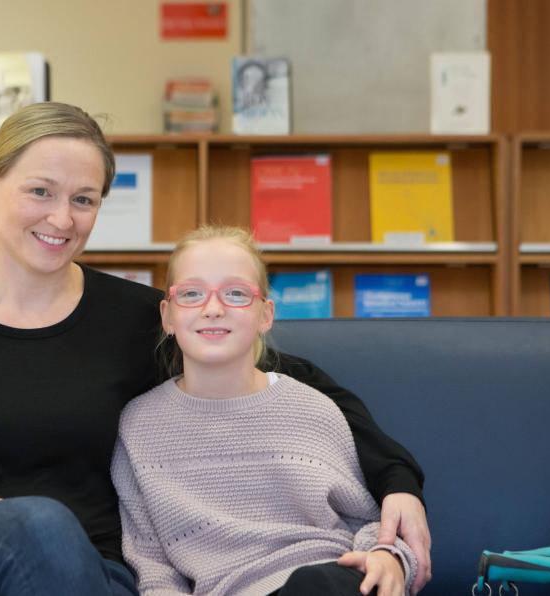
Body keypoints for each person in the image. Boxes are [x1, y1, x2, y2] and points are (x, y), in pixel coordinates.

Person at [0, 102, 430, 596]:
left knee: (52, 540)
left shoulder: (134, 319)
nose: (62, 218)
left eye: (83, 199)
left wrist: (398, 481)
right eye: (40, 191)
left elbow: (285, 377)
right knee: (36, 524)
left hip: (89, 576)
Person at [113, 226, 415, 596]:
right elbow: (151, 563)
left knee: (316, 584)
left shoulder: (312, 408)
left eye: (236, 293)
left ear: (265, 315)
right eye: (191, 293)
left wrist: (388, 555)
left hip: (328, 577)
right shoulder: (138, 425)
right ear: (168, 316)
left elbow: (366, 521)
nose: (213, 309)